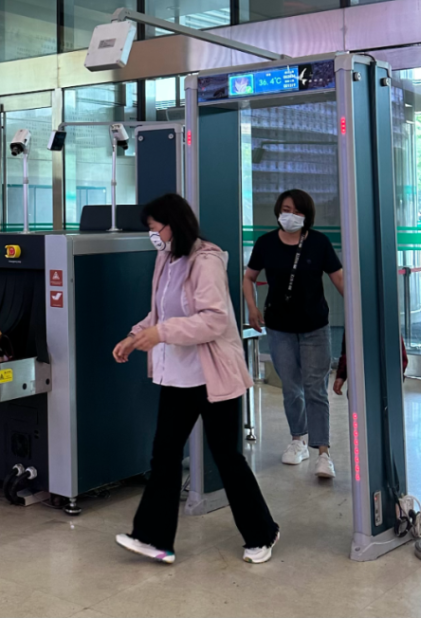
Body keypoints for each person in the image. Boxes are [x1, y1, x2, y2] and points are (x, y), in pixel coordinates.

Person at [113, 194, 279, 565]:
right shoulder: (166, 259)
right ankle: (154, 539)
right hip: (177, 378)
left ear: (174, 224)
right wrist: (137, 334)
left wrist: (161, 333)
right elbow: (159, 313)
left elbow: (214, 320)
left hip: (211, 376)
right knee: (165, 455)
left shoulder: (205, 261)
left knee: (226, 457)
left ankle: (262, 533)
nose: (152, 236)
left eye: (155, 228)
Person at [244, 189, 344, 479]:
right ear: (278, 210)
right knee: (291, 387)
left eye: (299, 212)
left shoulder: (319, 243)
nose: (292, 215)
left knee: (315, 388)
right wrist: (252, 308)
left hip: (314, 326)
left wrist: (357, 312)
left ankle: (323, 452)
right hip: (279, 328)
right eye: (287, 209)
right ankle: (298, 440)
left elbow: (339, 278)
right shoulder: (265, 243)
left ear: (307, 216)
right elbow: (248, 277)